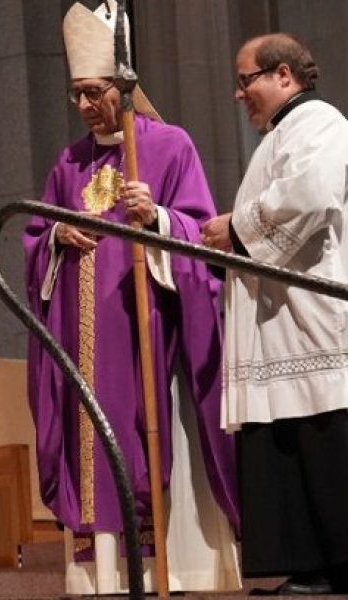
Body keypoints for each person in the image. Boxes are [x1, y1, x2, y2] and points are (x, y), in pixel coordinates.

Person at [22, 1, 240, 594]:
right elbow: (34, 235)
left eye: (95, 91)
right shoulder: (68, 162)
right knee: (89, 439)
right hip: (82, 340)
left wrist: (162, 219)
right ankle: (100, 575)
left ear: (123, 85)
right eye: (76, 94)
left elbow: (207, 236)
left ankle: (159, 567)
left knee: (143, 435)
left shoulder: (169, 146)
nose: (86, 106)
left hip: (147, 332)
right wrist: (57, 237)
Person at [201, 33, 348, 595]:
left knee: (322, 438)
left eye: (246, 80)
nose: (240, 94)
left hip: (312, 315)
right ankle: (314, 566)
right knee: (292, 441)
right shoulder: (282, 134)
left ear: (283, 75)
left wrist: (236, 228)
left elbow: (310, 196)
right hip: (283, 321)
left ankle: (337, 566)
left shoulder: (319, 122)